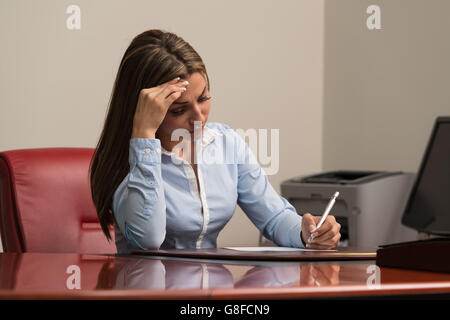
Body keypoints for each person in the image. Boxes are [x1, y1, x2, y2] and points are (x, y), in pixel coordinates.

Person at [90, 29, 341, 254]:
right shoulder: (131, 159)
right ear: (145, 107)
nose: (198, 117)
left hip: (211, 294)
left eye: (203, 98)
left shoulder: (226, 143)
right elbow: (149, 239)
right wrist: (143, 132)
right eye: (178, 110)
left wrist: (306, 232)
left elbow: (273, 216)